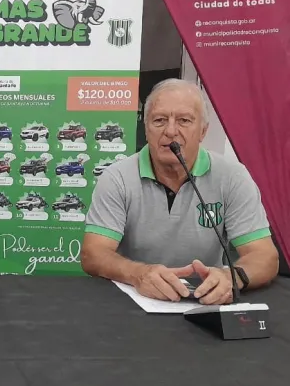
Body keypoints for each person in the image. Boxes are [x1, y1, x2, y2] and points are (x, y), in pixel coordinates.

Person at [81, 78, 279, 305]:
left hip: (206, 300)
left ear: (203, 131)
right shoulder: (117, 177)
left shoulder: (232, 176)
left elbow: (264, 256)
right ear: (146, 129)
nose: (170, 131)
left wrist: (231, 278)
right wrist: (138, 274)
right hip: (135, 300)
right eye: (159, 120)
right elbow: (93, 254)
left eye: (184, 120)